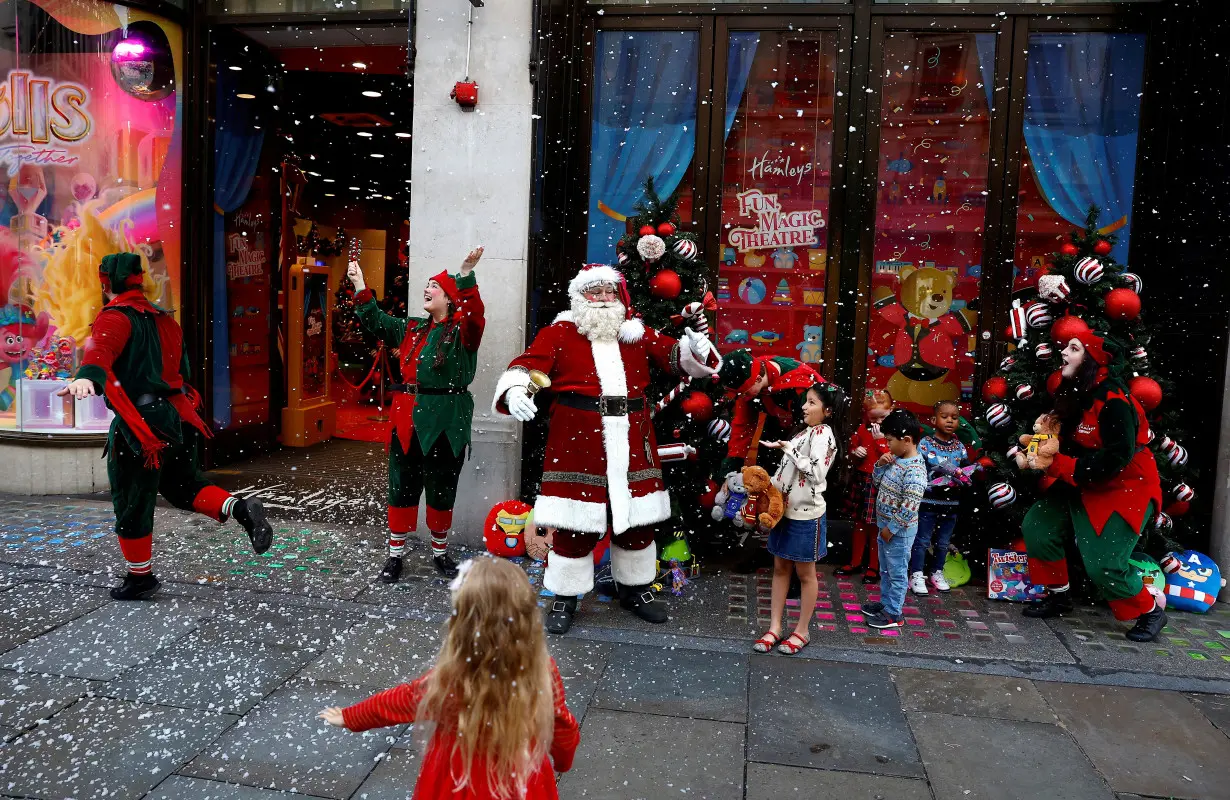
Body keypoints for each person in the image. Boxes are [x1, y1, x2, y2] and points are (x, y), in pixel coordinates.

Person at [492, 264, 718, 634]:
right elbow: (526, 365)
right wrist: (516, 389)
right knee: (575, 523)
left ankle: (636, 589)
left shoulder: (635, 333)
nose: (603, 298)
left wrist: (694, 347)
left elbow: (676, 358)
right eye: (594, 292)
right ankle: (565, 596)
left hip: (632, 435)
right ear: (580, 297)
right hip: (578, 439)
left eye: (609, 292)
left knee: (636, 522)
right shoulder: (560, 332)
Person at [58, 252, 273, 600]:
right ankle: (240, 509)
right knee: (184, 487)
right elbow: (181, 370)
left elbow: (100, 351)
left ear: (106, 283)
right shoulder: (166, 321)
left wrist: (87, 378)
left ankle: (140, 577)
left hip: (143, 427)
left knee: (132, 500)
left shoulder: (115, 317)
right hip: (177, 415)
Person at [318, 557, 580, 800]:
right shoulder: (541, 671)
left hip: (458, 779)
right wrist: (563, 760)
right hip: (521, 779)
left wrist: (350, 717)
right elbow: (561, 723)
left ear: (462, 624)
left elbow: (400, 701)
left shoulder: (452, 679)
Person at [346, 247, 485, 581]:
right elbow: (375, 321)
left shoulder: (464, 333)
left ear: (450, 299)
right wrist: (360, 282)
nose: (426, 289)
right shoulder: (412, 328)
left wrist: (465, 274)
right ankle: (394, 556)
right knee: (402, 486)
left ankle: (440, 553)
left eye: (434, 286)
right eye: (426, 285)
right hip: (406, 421)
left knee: (441, 488)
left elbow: (475, 315)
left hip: (447, 421)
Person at [1021, 329, 1166, 642]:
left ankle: (1149, 610)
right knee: (1038, 526)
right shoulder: (1074, 390)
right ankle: (1058, 595)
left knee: (1104, 564)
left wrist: (1059, 464)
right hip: (1081, 478)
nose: (1064, 353)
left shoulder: (1114, 401)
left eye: (1074, 349)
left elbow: (1116, 457)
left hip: (1124, 485)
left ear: (1093, 360)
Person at [752, 382, 846, 655]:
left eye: (812, 403)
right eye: (806, 401)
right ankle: (775, 627)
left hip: (807, 516)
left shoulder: (825, 435)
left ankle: (802, 631)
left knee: (806, 574)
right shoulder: (805, 432)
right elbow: (786, 475)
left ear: (828, 410)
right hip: (783, 513)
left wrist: (789, 449)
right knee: (780, 569)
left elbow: (816, 474)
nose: (804, 407)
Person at [716, 350, 825, 573]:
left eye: (745, 393)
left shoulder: (800, 383)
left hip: (808, 440)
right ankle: (771, 552)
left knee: (797, 502)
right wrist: (731, 467)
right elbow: (742, 427)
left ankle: (798, 567)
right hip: (777, 433)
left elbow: (818, 427)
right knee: (766, 494)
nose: (743, 398)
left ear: (757, 379)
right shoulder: (750, 386)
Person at [861, 409, 927, 630]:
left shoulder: (915, 470)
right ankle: (886, 604)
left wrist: (892, 528)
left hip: (897, 532)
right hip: (885, 528)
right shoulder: (896, 460)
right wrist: (880, 465)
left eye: (889, 440)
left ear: (906, 440)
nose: (887, 444)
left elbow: (911, 505)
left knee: (897, 573)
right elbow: (877, 483)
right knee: (886, 570)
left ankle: (894, 614)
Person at [909, 400, 970, 595]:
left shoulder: (960, 447)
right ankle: (916, 573)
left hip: (951, 502)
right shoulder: (925, 444)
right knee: (922, 540)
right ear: (934, 420)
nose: (950, 421)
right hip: (928, 501)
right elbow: (917, 469)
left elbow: (965, 470)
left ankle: (937, 571)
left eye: (954, 417)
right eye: (945, 417)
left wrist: (965, 476)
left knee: (943, 542)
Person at [836, 389, 894, 583]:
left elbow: (891, 458)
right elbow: (851, 453)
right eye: (873, 418)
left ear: (891, 411)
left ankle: (874, 566)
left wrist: (880, 443)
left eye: (882, 418)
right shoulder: (862, 429)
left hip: (881, 482)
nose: (877, 423)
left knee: (876, 526)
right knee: (859, 524)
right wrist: (854, 451)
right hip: (862, 479)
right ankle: (855, 561)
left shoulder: (894, 433)